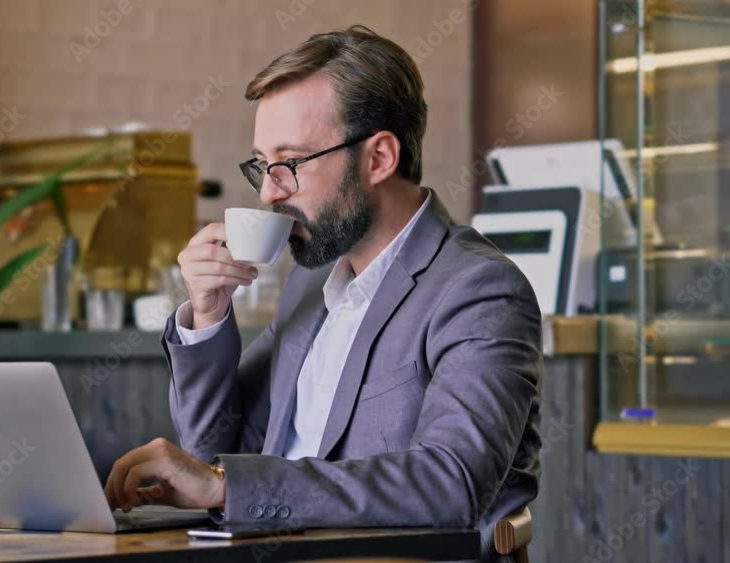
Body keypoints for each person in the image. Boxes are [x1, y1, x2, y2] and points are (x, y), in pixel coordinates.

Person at [105, 24, 542, 562]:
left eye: (289, 162)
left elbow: (450, 482)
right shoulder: (312, 284)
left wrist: (223, 486)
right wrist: (208, 314)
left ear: (379, 158)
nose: (269, 192)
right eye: (262, 166)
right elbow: (219, 454)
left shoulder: (479, 291)